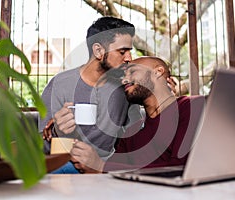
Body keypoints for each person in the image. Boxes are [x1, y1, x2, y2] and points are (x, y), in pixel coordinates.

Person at [39, 16, 142, 173]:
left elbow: (135, 141)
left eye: (129, 51)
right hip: (65, 166)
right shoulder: (60, 84)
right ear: (98, 51)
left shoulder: (125, 88)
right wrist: (56, 132)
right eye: (122, 52)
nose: (129, 58)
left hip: (106, 169)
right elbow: (42, 145)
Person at [70, 56, 205, 173]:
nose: (124, 80)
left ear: (158, 72)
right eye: (124, 76)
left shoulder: (192, 107)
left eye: (132, 71)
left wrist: (102, 166)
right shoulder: (132, 131)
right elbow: (109, 172)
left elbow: (181, 168)